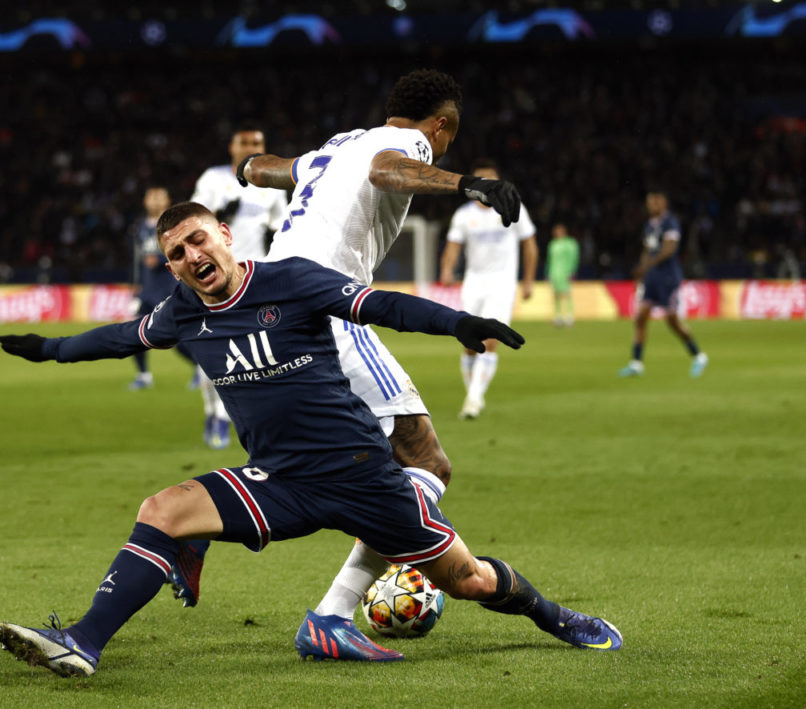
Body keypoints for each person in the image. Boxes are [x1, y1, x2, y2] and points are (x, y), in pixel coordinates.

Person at [0, 202, 622, 677]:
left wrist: (459, 322)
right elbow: (121, 337)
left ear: (224, 237)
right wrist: (49, 350)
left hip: (363, 477)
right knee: (161, 510)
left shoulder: (290, 280)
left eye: (197, 240)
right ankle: (84, 641)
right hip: (280, 480)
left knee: (471, 582)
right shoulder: (183, 309)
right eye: (176, 254)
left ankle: (555, 617)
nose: (190, 257)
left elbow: (383, 306)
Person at [208, 69, 526, 659]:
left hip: (269, 305)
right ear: (442, 124)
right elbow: (389, 171)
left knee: (316, 464)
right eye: (447, 136)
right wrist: (466, 184)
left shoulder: (340, 143)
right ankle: (332, 613)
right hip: (325, 306)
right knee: (426, 461)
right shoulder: (409, 146)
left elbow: (278, 168)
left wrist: (248, 169)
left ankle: (195, 533)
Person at [190, 123, 289, 449]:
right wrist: (217, 214)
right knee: (214, 351)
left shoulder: (273, 183)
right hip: (212, 276)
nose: (250, 146)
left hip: (253, 278)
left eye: (256, 141)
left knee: (254, 353)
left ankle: (226, 416)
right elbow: (189, 224)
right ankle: (213, 411)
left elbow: (281, 229)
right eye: (244, 142)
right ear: (232, 147)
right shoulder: (213, 179)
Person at [438, 160, 538, 420]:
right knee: (470, 343)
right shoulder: (464, 215)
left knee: (491, 339)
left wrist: (528, 280)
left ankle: (473, 399)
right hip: (474, 283)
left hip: (502, 283)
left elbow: (529, 244)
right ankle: (474, 394)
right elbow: (452, 247)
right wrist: (447, 270)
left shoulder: (513, 207)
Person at [619, 190, 708, 378]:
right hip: (652, 278)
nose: (652, 206)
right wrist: (641, 270)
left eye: (656, 202)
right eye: (649, 202)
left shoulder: (670, 222)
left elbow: (670, 249)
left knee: (672, 322)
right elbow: (647, 250)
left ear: (664, 204)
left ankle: (698, 355)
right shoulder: (649, 226)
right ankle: (636, 363)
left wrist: (648, 265)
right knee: (641, 317)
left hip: (668, 277)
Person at [127, 187, 172, 390]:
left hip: (168, 288)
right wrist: (135, 285)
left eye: (159, 197)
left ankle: (199, 369)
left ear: (167, 200)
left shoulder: (174, 224)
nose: (154, 201)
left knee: (179, 338)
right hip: (146, 289)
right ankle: (144, 375)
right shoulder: (140, 227)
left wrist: (162, 259)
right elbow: (137, 259)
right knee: (135, 332)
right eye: (151, 197)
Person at [546, 222, 580, 328]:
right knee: (556, 294)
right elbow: (549, 260)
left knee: (566, 293)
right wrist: (549, 273)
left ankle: (569, 315)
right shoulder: (552, 244)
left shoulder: (570, 243)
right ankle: (558, 316)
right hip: (555, 272)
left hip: (565, 272)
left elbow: (574, 257)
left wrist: (572, 271)